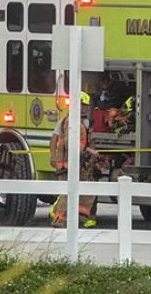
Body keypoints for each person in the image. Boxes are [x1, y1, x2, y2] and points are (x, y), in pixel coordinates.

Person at [49, 91, 99, 228]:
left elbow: (87, 141)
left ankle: (79, 218)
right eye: (82, 105)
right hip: (67, 165)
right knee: (67, 194)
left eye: (86, 105)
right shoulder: (69, 122)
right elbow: (67, 143)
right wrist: (53, 156)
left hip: (79, 164)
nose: (84, 108)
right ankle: (60, 219)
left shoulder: (84, 123)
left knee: (84, 192)